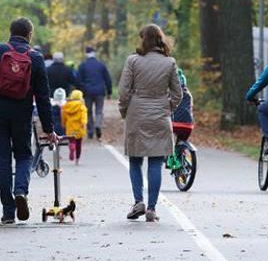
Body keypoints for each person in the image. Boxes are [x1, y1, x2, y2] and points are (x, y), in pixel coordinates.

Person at [0, 17, 58, 225]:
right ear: (30, 35)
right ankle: (21, 191)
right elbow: (43, 97)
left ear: (10, 32)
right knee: (24, 155)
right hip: (22, 113)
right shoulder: (35, 58)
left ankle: (8, 211)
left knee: (2, 158)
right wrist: (49, 128)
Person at [118, 24, 182, 222]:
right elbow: (178, 93)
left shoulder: (133, 61)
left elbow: (123, 91)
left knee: (135, 160)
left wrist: (124, 109)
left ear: (143, 40)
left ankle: (138, 201)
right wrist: (167, 107)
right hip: (160, 114)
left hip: (136, 113)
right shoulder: (169, 63)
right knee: (155, 161)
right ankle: (152, 208)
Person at [77, 46, 112, 139]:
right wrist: (109, 92)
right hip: (100, 91)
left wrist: (80, 92)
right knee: (99, 111)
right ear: (94, 53)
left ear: (86, 54)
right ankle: (98, 125)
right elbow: (108, 79)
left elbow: (78, 80)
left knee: (88, 112)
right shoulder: (101, 65)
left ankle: (90, 132)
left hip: (87, 91)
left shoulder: (82, 66)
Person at [61, 89, 88, 164]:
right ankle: (77, 159)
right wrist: (84, 124)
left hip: (70, 127)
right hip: (79, 128)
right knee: (79, 144)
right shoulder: (81, 106)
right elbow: (84, 117)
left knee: (72, 141)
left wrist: (63, 124)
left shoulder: (66, 106)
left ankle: (72, 147)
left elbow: (63, 116)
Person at [171, 68, 194, 142]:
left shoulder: (171, 93)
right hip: (188, 125)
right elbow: (191, 108)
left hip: (173, 124)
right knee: (181, 142)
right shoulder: (189, 94)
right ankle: (181, 151)